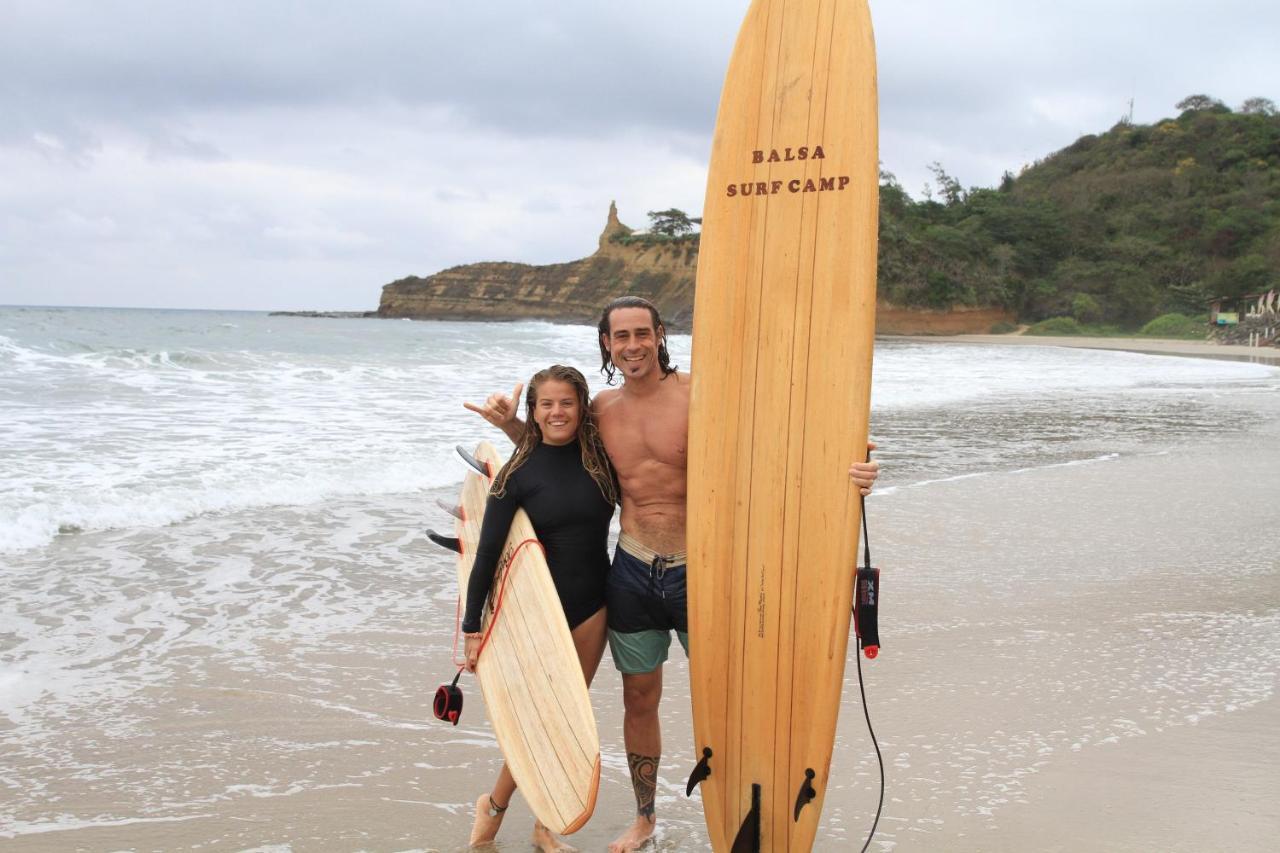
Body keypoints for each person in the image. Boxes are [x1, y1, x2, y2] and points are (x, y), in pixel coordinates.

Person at [466, 297, 880, 851]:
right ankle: (644, 817)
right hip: (632, 571)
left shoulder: (703, 396)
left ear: (660, 335)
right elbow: (552, 452)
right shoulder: (600, 412)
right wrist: (510, 420)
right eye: (620, 337)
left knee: (734, 696)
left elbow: (775, 446)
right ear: (606, 346)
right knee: (639, 698)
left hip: (703, 573)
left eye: (642, 333)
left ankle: (747, 807)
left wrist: (849, 464)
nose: (632, 345)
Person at [460, 364, 617, 853]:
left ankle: (541, 823)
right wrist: (472, 627)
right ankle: (499, 804)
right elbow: (487, 552)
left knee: (563, 715)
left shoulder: (601, 463)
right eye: (546, 404)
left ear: (581, 407)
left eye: (566, 403)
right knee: (536, 718)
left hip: (594, 607)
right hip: (536, 615)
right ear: (534, 411)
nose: (556, 412)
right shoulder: (516, 475)